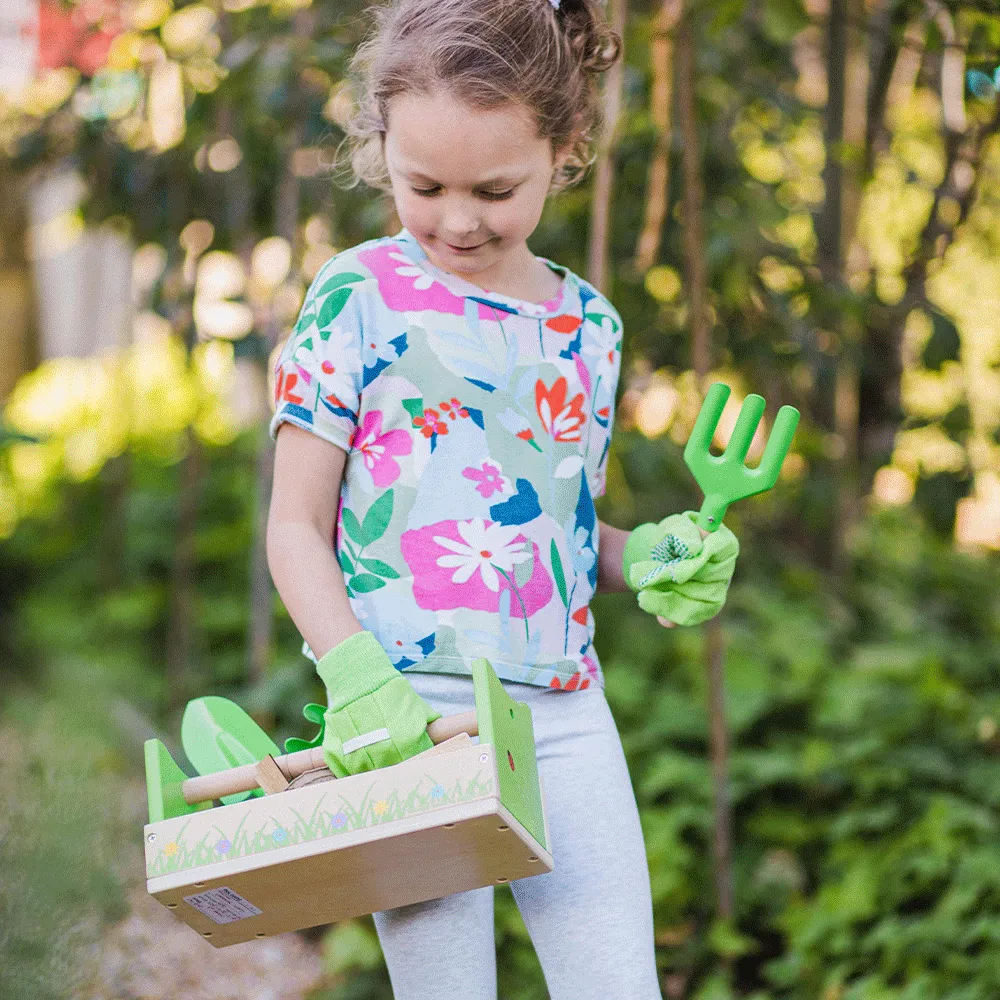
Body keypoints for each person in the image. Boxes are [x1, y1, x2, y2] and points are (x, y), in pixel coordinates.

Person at [266, 1, 737, 996]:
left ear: (563, 148)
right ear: (379, 144)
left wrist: (641, 552)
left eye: (495, 188)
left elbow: (551, 530)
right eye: (422, 185)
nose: (458, 219)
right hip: (410, 719)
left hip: (562, 714)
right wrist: (355, 677)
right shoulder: (354, 297)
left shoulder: (588, 329)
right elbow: (295, 526)